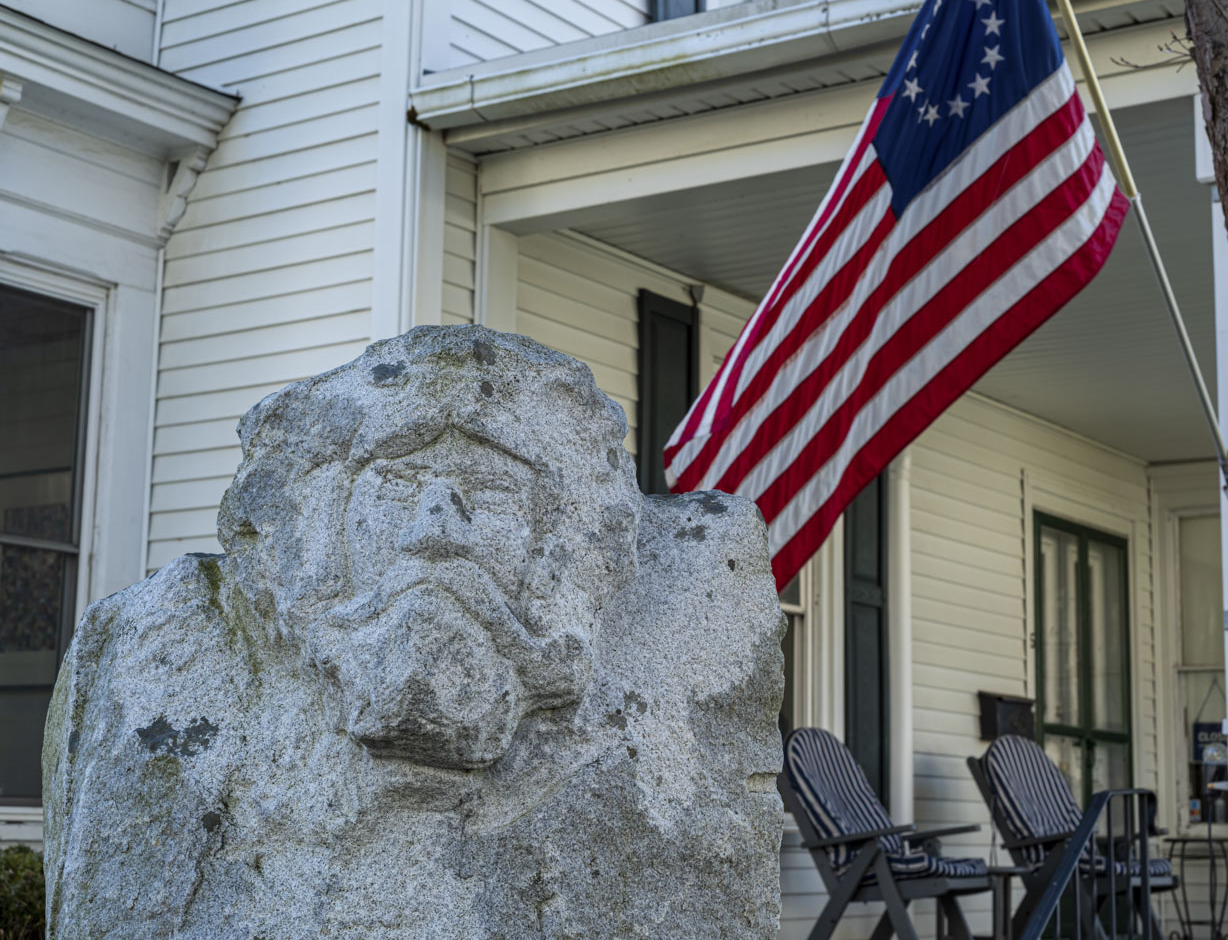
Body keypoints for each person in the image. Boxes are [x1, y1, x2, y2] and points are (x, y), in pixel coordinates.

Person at [44, 326, 784, 940]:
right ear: (323, 521)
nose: (436, 528)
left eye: (488, 493)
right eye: (398, 486)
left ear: (556, 542)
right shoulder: (155, 658)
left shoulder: (663, 662)